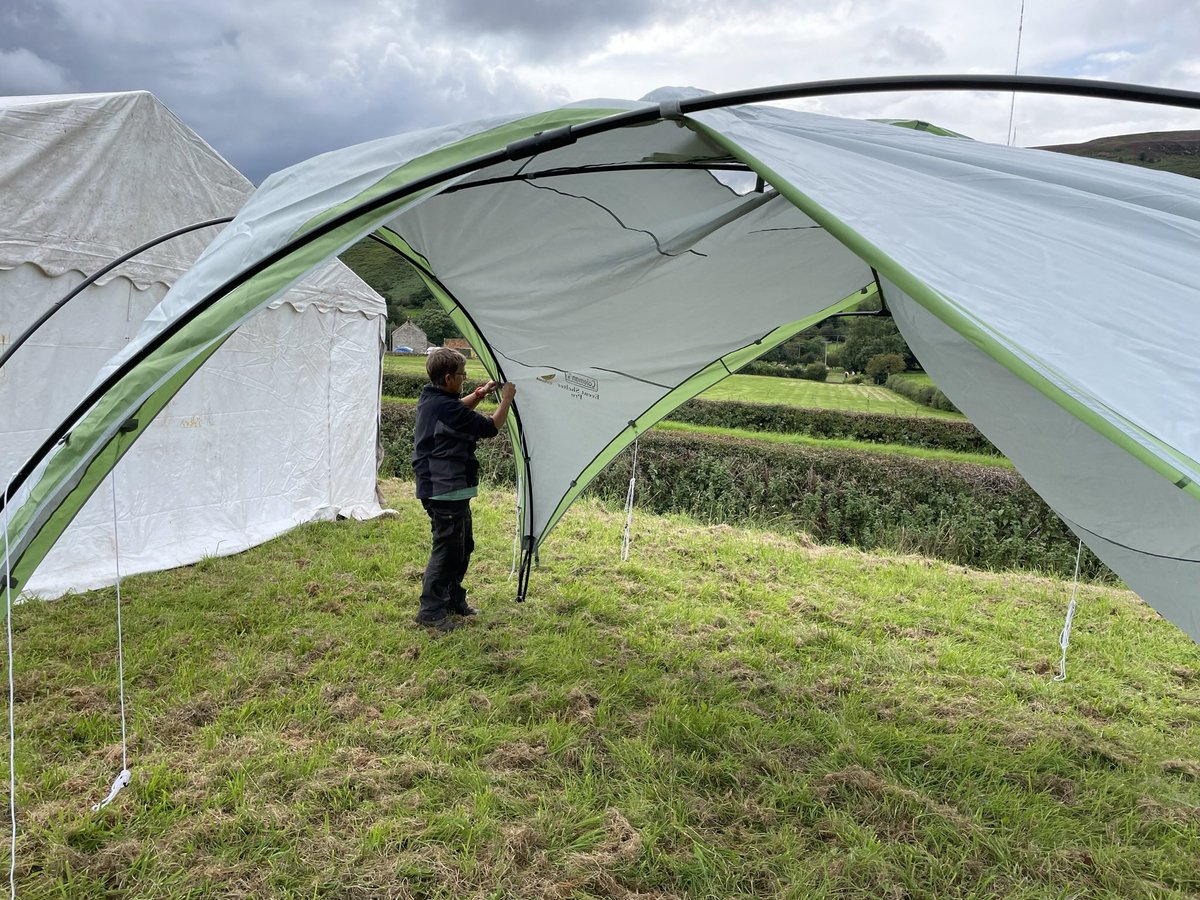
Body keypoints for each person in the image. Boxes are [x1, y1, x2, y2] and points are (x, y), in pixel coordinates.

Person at [411, 348, 516, 632]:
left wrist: (480, 393)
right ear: (448, 378)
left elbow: (457, 410)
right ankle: (430, 613)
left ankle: (452, 600)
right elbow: (491, 427)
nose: (464, 379)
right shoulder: (446, 407)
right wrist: (506, 398)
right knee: (446, 551)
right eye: (461, 376)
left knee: (462, 547)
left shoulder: (432, 398)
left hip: (449, 489)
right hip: (443, 489)